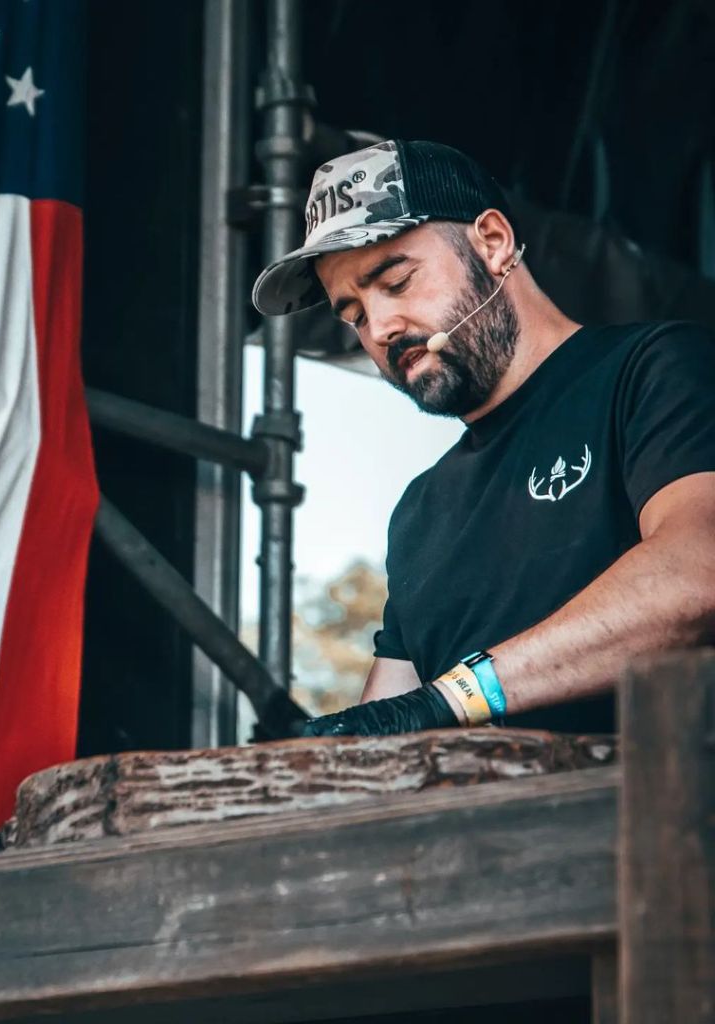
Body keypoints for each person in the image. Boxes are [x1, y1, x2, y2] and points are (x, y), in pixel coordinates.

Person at [252, 139, 715, 737]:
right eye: (354, 315)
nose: (381, 328)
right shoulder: (420, 511)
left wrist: (460, 696)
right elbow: (390, 722)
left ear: (492, 243)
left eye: (396, 281)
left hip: (661, 821)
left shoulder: (653, 370)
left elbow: (698, 572)